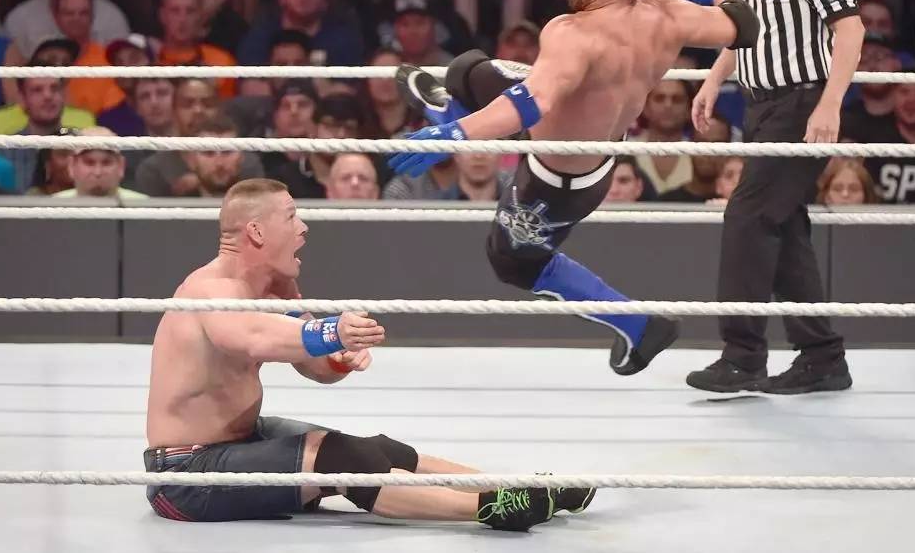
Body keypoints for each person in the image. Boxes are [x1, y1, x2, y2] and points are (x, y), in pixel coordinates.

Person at [387, 0, 760, 376]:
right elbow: (744, 25)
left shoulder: (571, 34)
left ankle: (639, 324)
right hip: (598, 152)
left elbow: (532, 103)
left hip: (554, 179)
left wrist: (454, 137)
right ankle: (452, 107)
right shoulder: (669, 13)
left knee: (512, 261)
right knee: (467, 70)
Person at [144, 178, 594, 529]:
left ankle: (515, 488)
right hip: (187, 475)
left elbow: (313, 365)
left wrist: (338, 355)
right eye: (292, 216)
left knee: (377, 450)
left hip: (242, 439)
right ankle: (490, 508)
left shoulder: (274, 288)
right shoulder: (211, 290)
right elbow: (253, 338)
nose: (303, 227)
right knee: (343, 460)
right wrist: (331, 331)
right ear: (257, 231)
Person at [686, 0, 864, 394]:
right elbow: (744, 31)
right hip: (760, 105)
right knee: (782, 227)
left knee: (747, 215)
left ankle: (742, 356)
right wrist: (713, 80)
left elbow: (850, 29)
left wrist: (830, 104)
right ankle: (822, 357)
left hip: (803, 103)